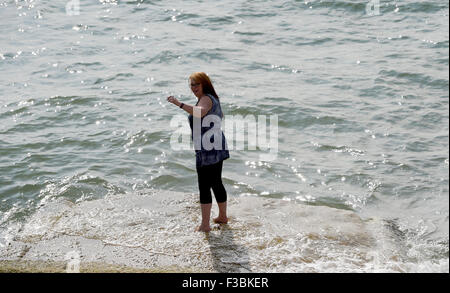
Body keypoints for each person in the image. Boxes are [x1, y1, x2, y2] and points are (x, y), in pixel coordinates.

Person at [167, 72, 230, 232]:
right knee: (216, 182)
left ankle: (205, 225)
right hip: (216, 144)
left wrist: (178, 104)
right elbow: (217, 115)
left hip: (208, 148)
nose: (194, 88)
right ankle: (222, 216)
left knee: (204, 185)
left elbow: (199, 112)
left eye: (197, 84)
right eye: (191, 85)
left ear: (204, 84)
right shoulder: (212, 98)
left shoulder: (206, 99)